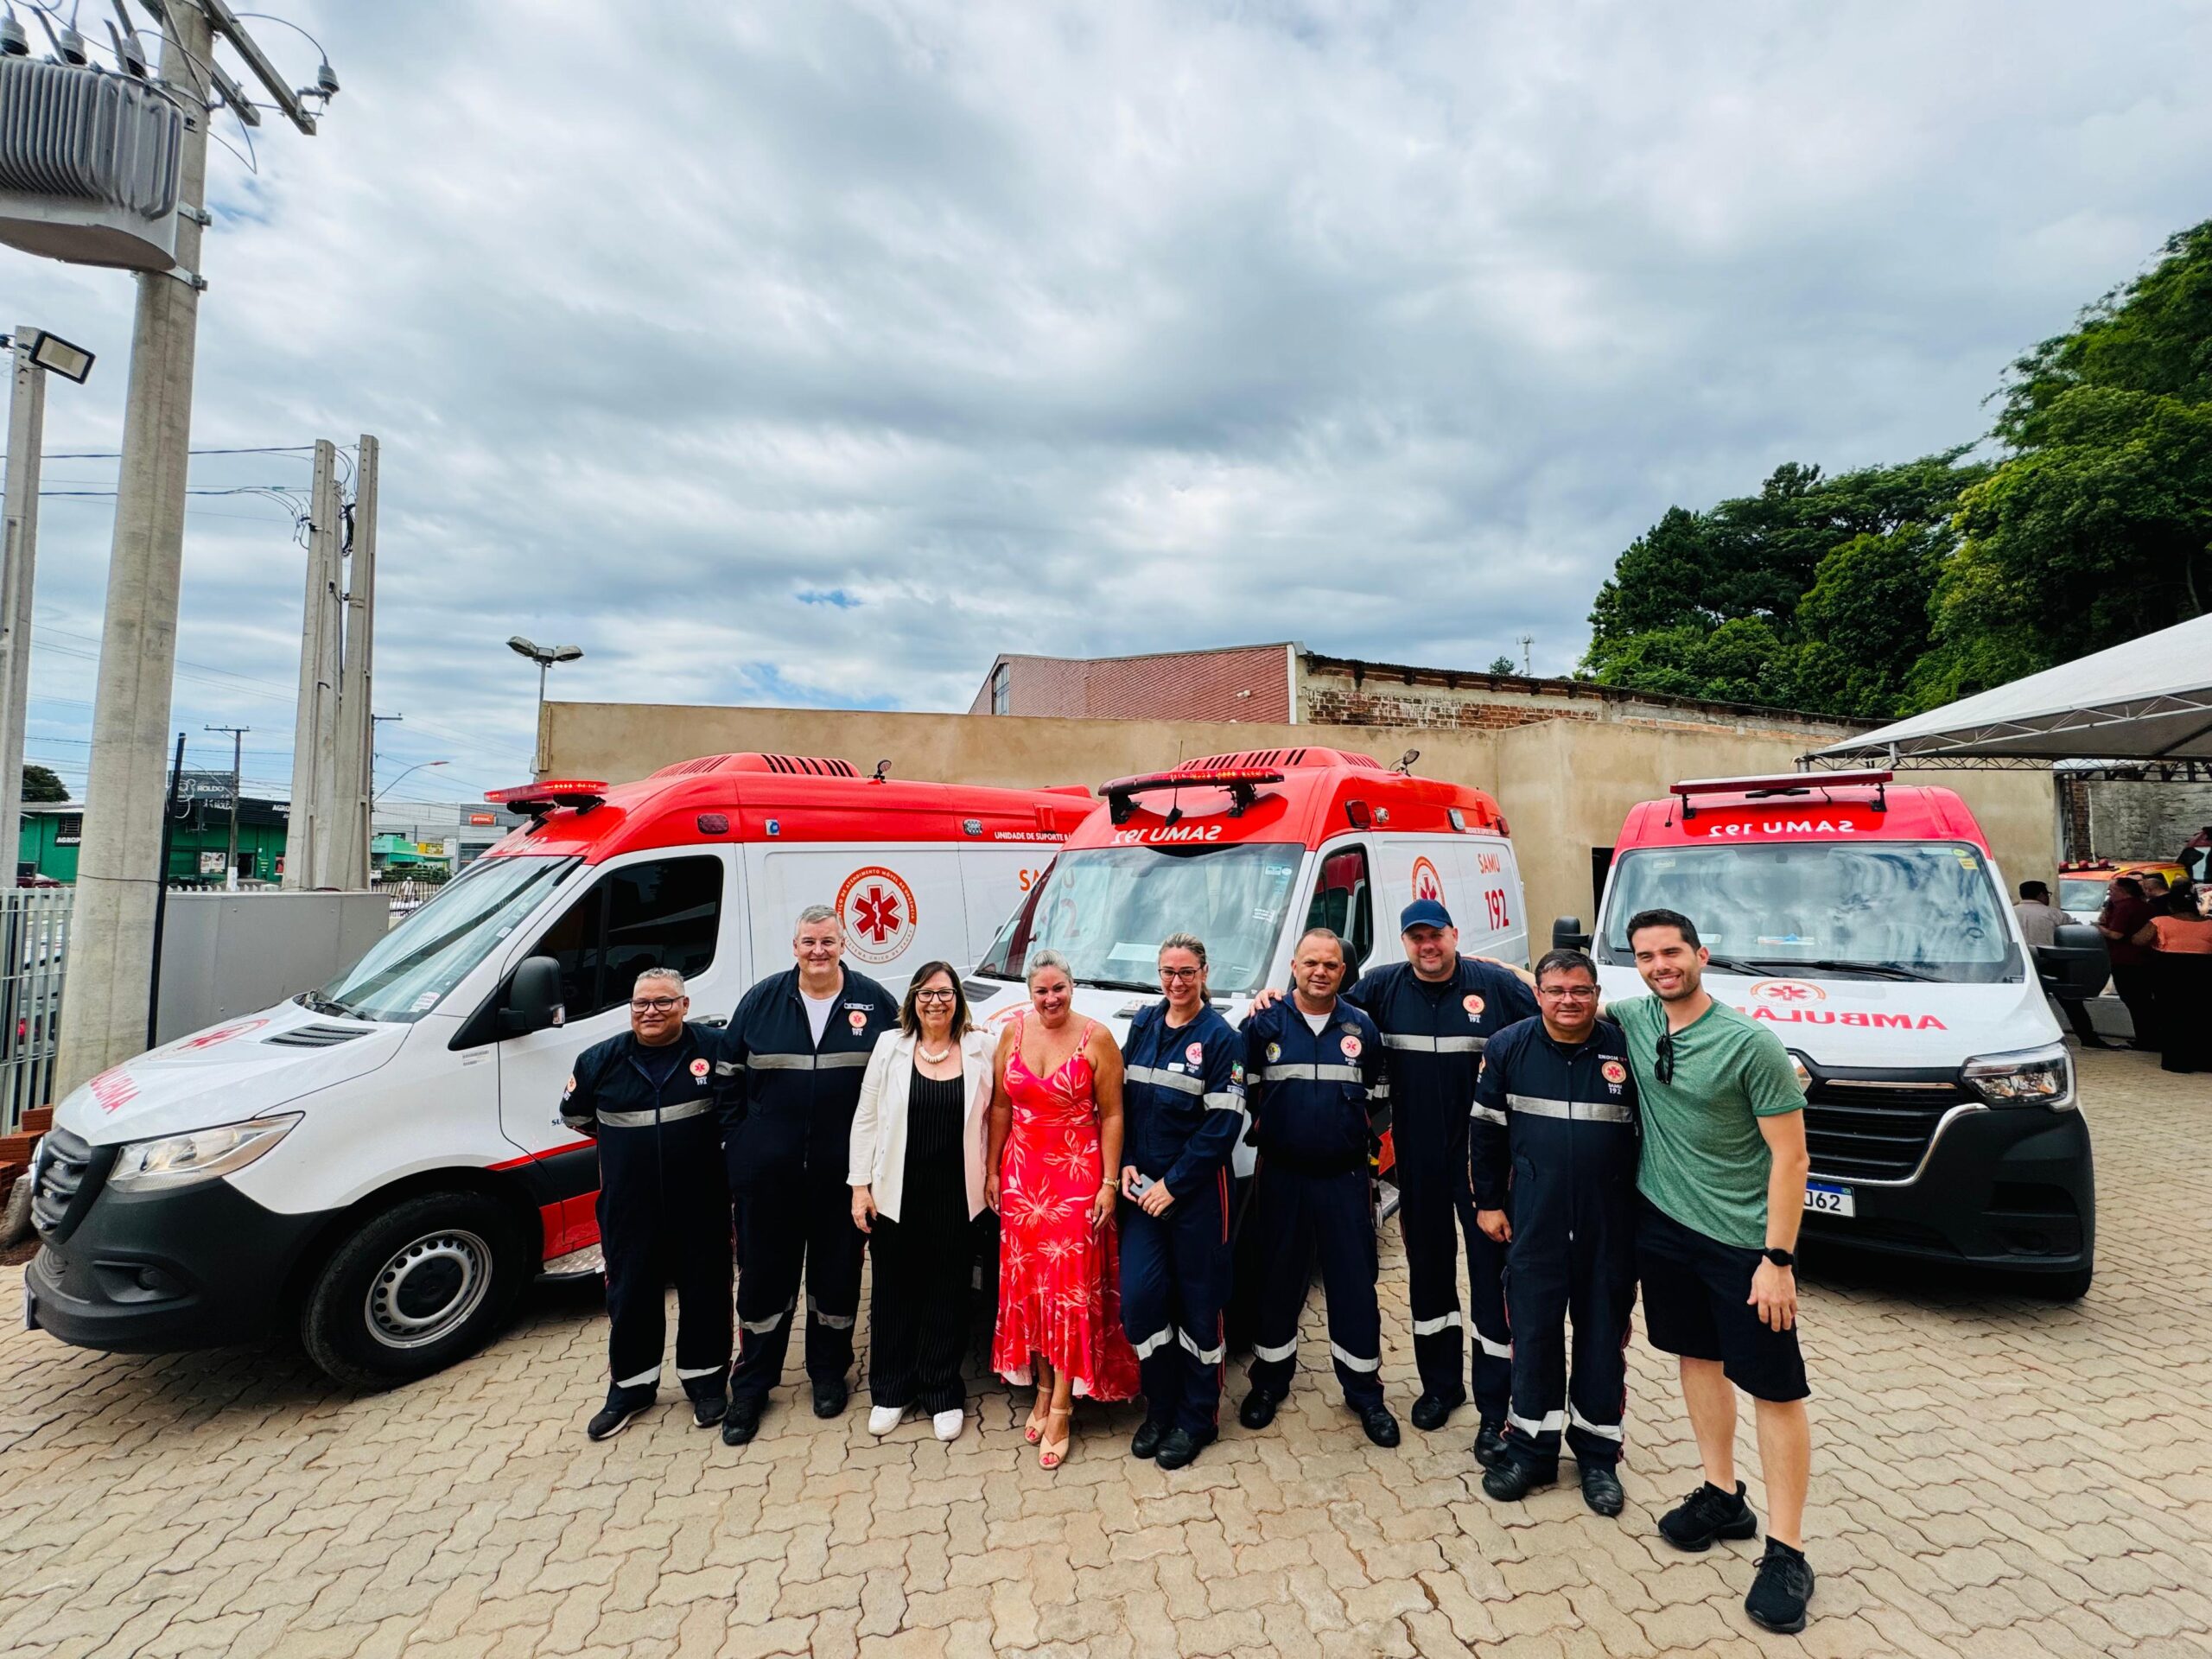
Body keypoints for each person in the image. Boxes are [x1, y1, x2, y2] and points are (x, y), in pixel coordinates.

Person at [1615, 908, 1816, 1636]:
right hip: (1663, 1230)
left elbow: (1792, 1158)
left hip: (1744, 1246)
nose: (1661, 965)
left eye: (1672, 952)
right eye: (1646, 955)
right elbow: (1540, 992)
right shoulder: (1634, 1018)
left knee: (1773, 1385)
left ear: (1700, 954)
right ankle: (1722, 1494)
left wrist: (1778, 1260)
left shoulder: (1750, 1044)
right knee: (1697, 1359)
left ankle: (1789, 1550)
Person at [1468, 949, 1637, 1516]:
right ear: (1537, 994)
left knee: (1601, 1342)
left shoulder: (1623, 1049)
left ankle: (1597, 1458)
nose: (1569, 1001)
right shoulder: (1508, 1047)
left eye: (1580, 990)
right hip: (1533, 1222)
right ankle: (1532, 1452)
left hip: (1608, 1226)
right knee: (1534, 1337)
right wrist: (1488, 1204)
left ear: (1596, 994)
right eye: (1556, 990)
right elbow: (1485, 1133)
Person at [719, 906, 896, 1446]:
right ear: (793, 946)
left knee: (837, 1282)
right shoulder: (761, 1001)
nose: (818, 951)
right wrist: (742, 1146)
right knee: (762, 1284)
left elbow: (895, 1083)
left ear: (844, 944)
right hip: (769, 1180)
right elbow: (728, 1079)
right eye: (808, 942)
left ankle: (827, 1374)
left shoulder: (874, 1001)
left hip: (843, 1180)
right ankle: (752, 1386)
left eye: (827, 941)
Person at [1237, 928, 1400, 1449]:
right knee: (1277, 1281)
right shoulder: (1262, 1024)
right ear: (1294, 965)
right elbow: (1246, 1092)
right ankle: (1269, 1383)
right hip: (1281, 1175)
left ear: (1343, 971)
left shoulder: (1363, 1029)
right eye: (1311, 963)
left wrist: (1340, 1139)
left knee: (1354, 1285)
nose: (1320, 972)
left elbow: (1378, 1099)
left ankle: (1365, 1393)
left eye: (1331, 964)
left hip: (1345, 1178)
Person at [561, 968, 734, 1440]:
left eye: (662, 1002)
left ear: (684, 1005)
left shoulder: (715, 1051)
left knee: (706, 1290)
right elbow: (577, 1117)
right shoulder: (599, 1061)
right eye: (641, 1004)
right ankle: (631, 1389)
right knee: (630, 1293)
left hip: (701, 1201)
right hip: (629, 1207)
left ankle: (707, 1381)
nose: (650, 1012)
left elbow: (738, 1112)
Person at [988, 950, 1140, 1469]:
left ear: (1072, 988)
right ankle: (1044, 1382)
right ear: (1030, 993)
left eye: (1059, 989)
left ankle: (1062, 1405)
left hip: (1077, 1175)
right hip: (1023, 1175)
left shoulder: (1096, 1037)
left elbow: (1114, 1113)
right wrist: (992, 1171)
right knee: (1032, 1287)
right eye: (1041, 991)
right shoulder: (1012, 1032)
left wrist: (1108, 1183)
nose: (1050, 999)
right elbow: (1002, 1106)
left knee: (1071, 1289)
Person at [849, 963, 996, 1442]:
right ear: (912, 999)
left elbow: (998, 1115)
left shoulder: (981, 1047)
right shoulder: (889, 1047)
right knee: (893, 1293)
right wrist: (859, 1186)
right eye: (926, 993)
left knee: (947, 1292)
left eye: (945, 992)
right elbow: (866, 1118)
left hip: (957, 1194)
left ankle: (940, 1390)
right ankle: (891, 1390)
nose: (937, 1001)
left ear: (958, 999)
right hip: (895, 1194)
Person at [1116, 934, 1245, 1470]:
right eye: (1168, 972)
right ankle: (1160, 1406)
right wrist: (1122, 1160)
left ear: (1204, 972)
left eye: (1187, 972)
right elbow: (1118, 1101)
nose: (1176, 982)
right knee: (1141, 1303)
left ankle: (1197, 1419)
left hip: (1194, 1196)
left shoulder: (1220, 1038)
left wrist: (1174, 1184)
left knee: (1199, 1308)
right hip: (1140, 1191)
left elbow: (1224, 1125)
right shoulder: (1144, 1024)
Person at [2017, 880, 2110, 1049]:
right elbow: (2076, 933)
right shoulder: (2054, 914)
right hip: (2052, 962)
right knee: (2072, 1003)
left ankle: (2029, 1041)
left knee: (2029, 1004)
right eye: (2047, 894)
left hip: (2019, 964)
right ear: (2040, 895)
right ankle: (2088, 1039)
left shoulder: (2009, 912)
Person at [2132, 884, 2212, 1075]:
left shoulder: (2160, 922)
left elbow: (2138, 940)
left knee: (2171, 1015)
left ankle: (2177, 1061)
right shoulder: (2209, 923)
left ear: (2170, 906)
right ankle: (2204, 1059)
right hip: (2204, 971)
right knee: (2203, 1014)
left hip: (2170, 971)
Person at [2095, 874, 2158, 1052]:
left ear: (2122, 891)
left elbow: (2116, 934)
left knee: (2134, 1000)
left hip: (2125, 959)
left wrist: (2099, 928)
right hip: (2146, 959)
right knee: (2144, 1000)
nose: (2110, 893)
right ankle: (2150, 1037)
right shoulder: (2147, 907)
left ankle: (2145, 1039)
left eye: (2112, 890)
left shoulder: (2124, 908)